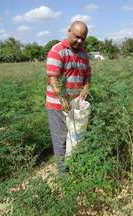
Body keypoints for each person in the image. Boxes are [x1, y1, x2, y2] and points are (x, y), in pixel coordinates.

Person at [45, 21, 91, 176]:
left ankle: (76, 168)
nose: (79, 41)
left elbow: (87, 75)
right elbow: (53, 78)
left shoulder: (84, 53)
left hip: (75, 105)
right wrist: (62, 99)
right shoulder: (57, 51)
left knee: (76, 138)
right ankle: (65, 176)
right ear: (69, 31)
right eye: (76, 36)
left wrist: (86, 87)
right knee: (61, 140)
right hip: (58, 105)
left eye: (82, 38)